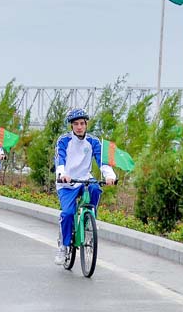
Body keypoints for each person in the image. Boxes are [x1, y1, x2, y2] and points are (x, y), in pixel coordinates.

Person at [54, 109, 117, 265]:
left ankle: (90, 218)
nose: (79, 127)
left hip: (84, 178)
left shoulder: (93, 141)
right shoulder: (64, 140)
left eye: (82, 123)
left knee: (95, 188)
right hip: (67, 182)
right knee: (68, 214)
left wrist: (110, 176)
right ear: (71, 126)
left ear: (86, 124)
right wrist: (62, 174)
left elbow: (102, 161)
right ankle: (63, 246)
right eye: (76, 124)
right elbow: (60, 159)